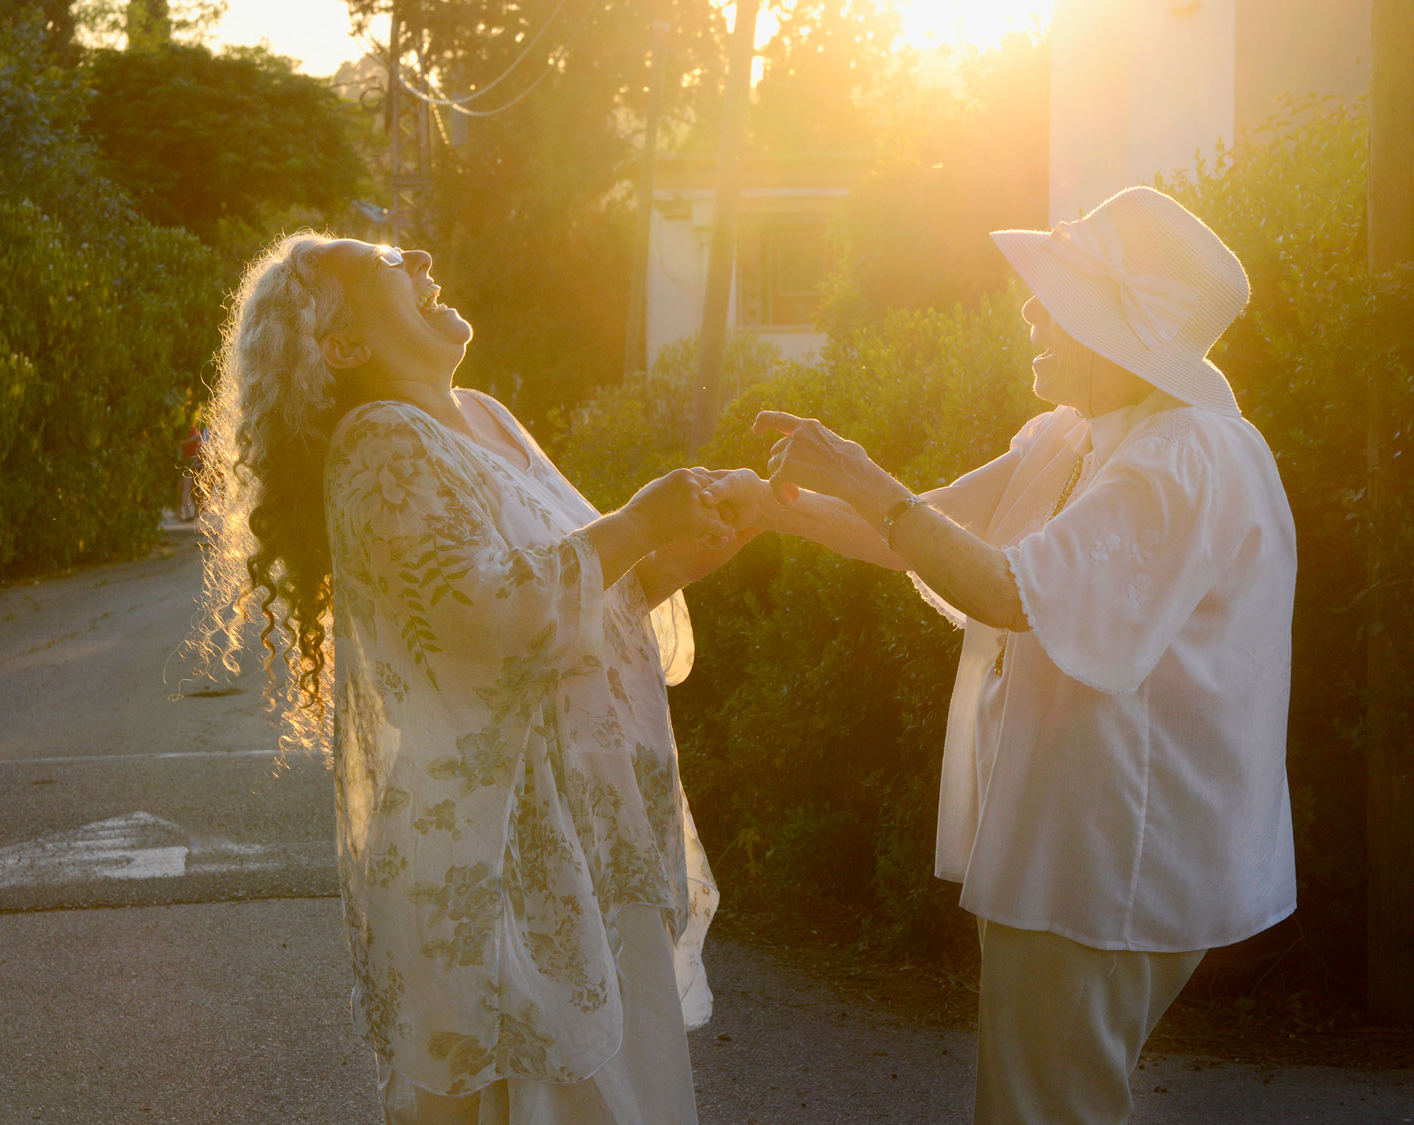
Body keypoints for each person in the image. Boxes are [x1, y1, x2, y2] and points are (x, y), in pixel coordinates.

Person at [718, 186, 1298, 1124]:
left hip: (1110, 859)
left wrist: (862, 475)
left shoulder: (1184, 454)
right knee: (1048, 1100)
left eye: (1052, 294)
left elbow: (1004, 590)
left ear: (1111, 324)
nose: (1028, 309)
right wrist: (774, 508)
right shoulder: (1077, 436)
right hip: (1073, 840)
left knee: (1043, 1110)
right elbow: (931, 524)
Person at [190, 231, 755, 1123]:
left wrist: (689, 548)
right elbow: (494, 620)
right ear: (343, 347)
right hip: (506, 856)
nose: (418, 256)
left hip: (589, 829)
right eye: (388, 267)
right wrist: (642, 520)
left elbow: (589, 592)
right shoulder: (379, 443)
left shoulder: (488, 416)